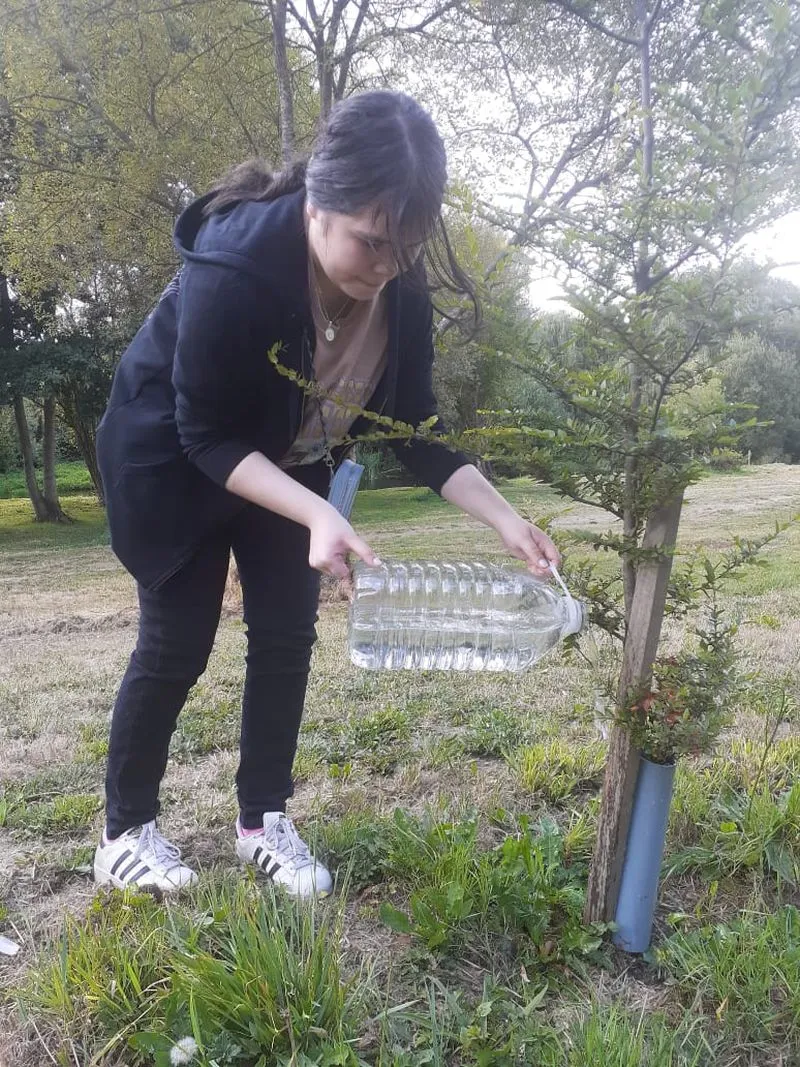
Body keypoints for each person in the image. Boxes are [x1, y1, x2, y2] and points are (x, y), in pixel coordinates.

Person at [94, 89, 560, 899]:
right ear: (318, 205)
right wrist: (319, 511)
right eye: (371, 242)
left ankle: (261, 820)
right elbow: (203, 431)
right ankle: (124, 830)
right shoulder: (235, 264)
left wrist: (507, 519)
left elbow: (414, 429)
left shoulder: (399, 289)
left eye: (404, 247)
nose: (386, 268)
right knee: (179, 643)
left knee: (287, 634)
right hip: (170, 459)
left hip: (288, 450)